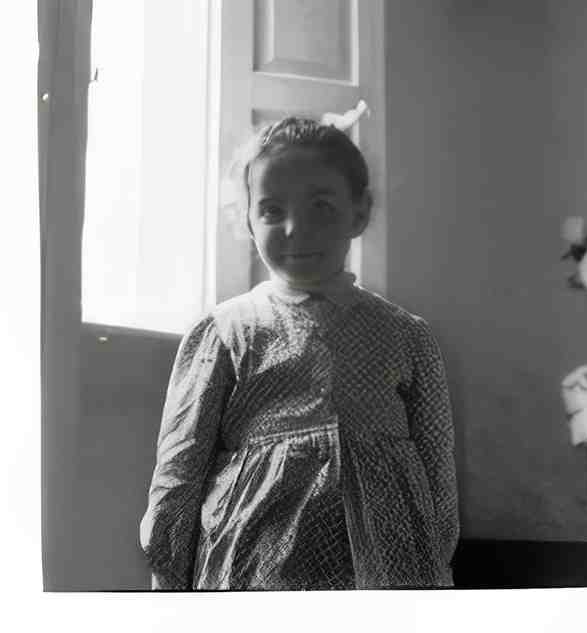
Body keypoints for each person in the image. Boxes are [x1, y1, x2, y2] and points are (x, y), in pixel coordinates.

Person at [139, 109, 460, 590]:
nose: (294, 228)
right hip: (254, 567)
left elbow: (437, 467)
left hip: (387, 571)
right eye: (272, 209)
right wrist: (169, 585)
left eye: (321, 206)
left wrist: (436, 570)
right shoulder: (224, 333)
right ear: (248, 221)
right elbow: (179, 471)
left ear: (359, 212)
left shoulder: (407, 336)